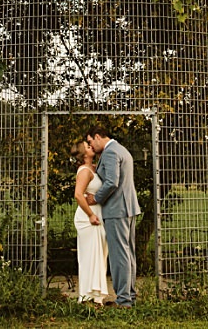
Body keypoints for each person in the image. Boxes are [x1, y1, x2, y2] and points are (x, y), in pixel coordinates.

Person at [85, 125, 141, 307]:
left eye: (90, 141)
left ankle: (123, 300)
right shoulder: (121, 149)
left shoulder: (110, 153)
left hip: (117, 210)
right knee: (128, 254)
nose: (90, 146)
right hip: (128, 208)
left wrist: (96, 199)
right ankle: (129, 296)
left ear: (98, 136)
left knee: (119, 256)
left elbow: (111, 182)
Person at [71, 139, 110, 304]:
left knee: (100, 255)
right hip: (89, 218)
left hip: (97, 214)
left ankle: (96, 297)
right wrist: (90, 215)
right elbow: (78, 195)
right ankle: (87, 296)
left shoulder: (94, 168)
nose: (91, 146)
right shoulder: (85, 171)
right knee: (89, 256)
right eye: (88, 147)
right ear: (83, 153)